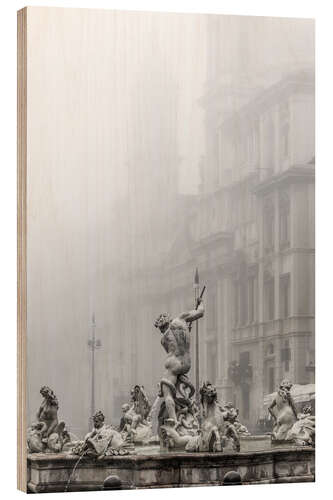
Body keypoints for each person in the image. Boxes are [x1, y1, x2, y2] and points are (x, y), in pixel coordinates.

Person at [154, 298, 204, 423]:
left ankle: (174, 422)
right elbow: (200, 312)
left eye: (160, 329)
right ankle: (186, 409)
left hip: (174, 365)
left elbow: (171, 350)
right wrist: (200, 302)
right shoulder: (181, 319)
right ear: (169, 319)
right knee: (178, 389)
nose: (161, 331)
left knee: (167, 393)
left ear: (161, 327)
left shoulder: (163, 339)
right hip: (186, 363)